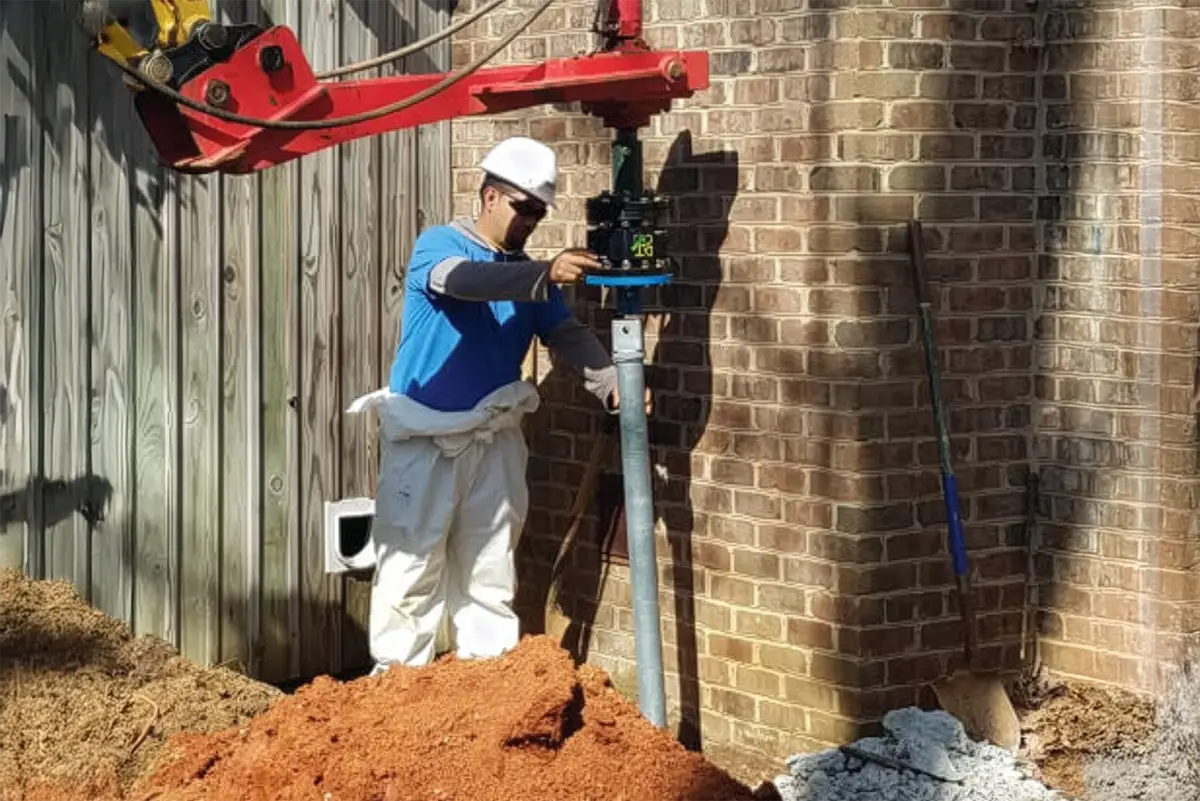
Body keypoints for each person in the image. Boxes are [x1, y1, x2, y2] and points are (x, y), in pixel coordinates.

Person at [348, 135, 634, 672]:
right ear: (489, 197)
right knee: (412, 563)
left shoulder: (529, 276)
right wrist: (543, 272)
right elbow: (462, 284)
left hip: (494, 437)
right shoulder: (439, 246)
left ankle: (487, 681)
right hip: (426, 438)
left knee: (490, 562)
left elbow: (566, 334)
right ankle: (395, 684)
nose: (530, 221)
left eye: (538, 213)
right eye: (523, 208)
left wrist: (613, 381)